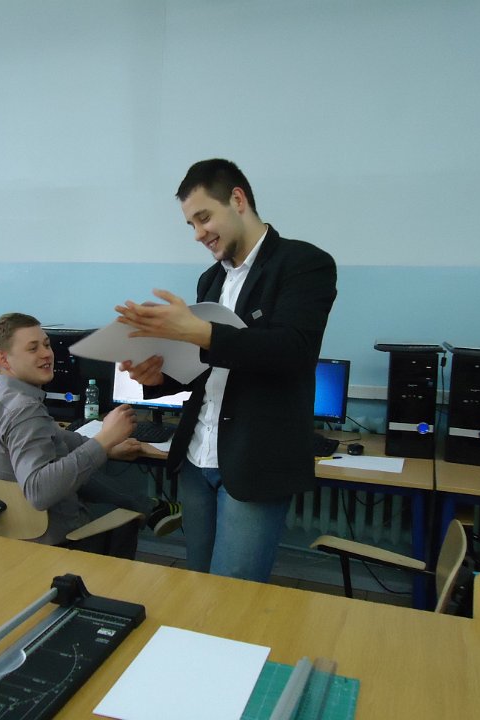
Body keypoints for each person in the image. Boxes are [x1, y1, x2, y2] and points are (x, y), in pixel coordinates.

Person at [117, 158, 337, 581]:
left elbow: (293, 351)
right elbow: (209, 368)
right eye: (191, 225)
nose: (198, 234)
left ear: (238, 200)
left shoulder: (304, 263)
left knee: (233, 595)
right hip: (197, 456)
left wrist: (199, 332)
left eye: (204, 218)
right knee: (200, 582)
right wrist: (159, 377)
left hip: (255, 461)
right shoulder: (210, 280)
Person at [0, 312, 181, 558]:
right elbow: (39, 492)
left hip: (4, 532)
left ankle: (149, 506)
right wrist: (103, 440)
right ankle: (147, 509)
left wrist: (106, 447)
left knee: (67, 460)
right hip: (54, 541)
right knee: (117, 511)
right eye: (33, 348)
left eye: (47, 345)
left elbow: (57, 438)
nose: (47, 354)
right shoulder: (24, 409)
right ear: (3, 359)